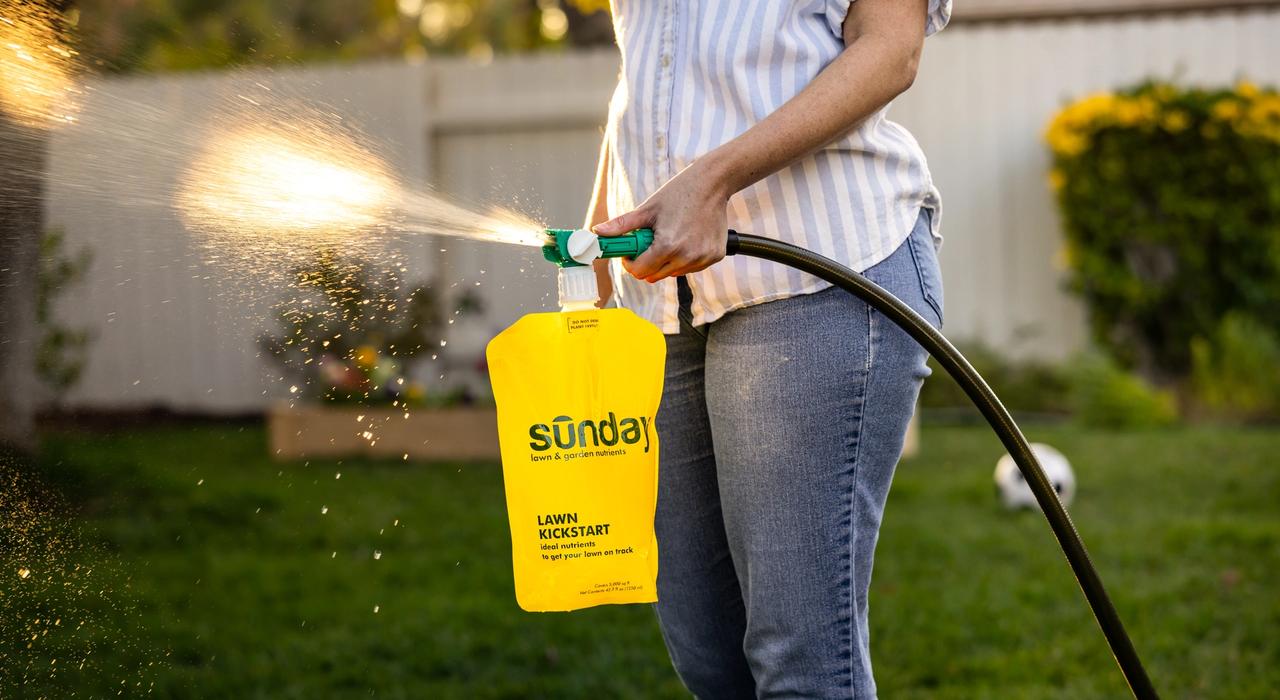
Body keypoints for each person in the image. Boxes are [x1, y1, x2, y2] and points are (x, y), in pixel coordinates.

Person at [583, 1, 951, 697]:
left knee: (801, 666)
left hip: (819, 266)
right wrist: (596, 235)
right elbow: (651, 73)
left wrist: (715, 180)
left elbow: (890, 48)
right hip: (665, 302)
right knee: (710, 661)